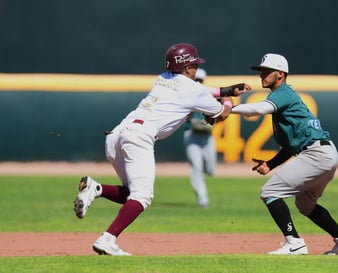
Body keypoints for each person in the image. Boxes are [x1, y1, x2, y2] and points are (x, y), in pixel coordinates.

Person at [73, 42, 250, 256]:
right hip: (139, 137)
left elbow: (199, 91)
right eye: (194, 64)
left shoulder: (163, 77)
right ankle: (107, 239)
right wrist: (228, 100)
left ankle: (96, 188)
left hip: (117, 134)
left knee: (131, 193)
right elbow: (220, 114)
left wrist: (226, 89)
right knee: (142, 197)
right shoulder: (193, 90)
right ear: (186, 68)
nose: (195, 68)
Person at [231, 53, 338, 255]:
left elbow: (258, 109)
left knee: (270, 192)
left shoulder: (282, 93)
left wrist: (228, 108)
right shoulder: (284, 97)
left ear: (280, 74)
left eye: (267, 71)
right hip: (325, 152)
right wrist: (271, 164)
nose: (262, 75)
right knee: (305, 204)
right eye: (261, 71)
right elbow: (291, 147)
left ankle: (294, 243)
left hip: (316, 154)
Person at [183, 68, 216, 208]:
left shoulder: (209, 94)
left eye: (200, 80)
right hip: (192, 134)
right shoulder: (184, 94)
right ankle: (202, 198)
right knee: (196, 166)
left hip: (207, 135)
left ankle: (201, 177)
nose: (198, 83)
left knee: (210, 168)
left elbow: (218, 114)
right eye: (196, 80)